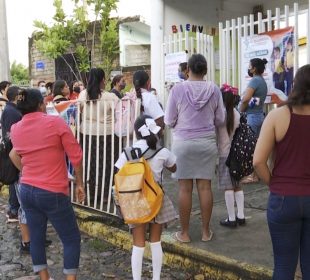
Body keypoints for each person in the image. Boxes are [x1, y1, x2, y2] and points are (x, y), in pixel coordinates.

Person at [9, 88, 85, 280]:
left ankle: (44, 278)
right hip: (53, 191)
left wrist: (26, 172)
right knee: (71, 239)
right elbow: (75, 155)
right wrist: (79, 183)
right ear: (40, 104)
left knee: (36, 237)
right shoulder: (55, 122)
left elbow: (13, 154)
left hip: (26, 189)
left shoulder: (16, 128)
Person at [253, 64, 310, 279]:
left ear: (295, 86)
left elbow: (258, 161)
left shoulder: (278, 116)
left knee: (284, 267)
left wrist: (274, 184)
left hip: (283, 198)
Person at [165, 53, 225, 242]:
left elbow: (168, 120)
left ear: (187, 69)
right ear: (205, 70)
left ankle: (184, 233)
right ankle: (206, 232)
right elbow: (221, 119)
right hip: (206, 143)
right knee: (205, 188)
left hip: (183, 144)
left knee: (184, 189)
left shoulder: (177, 90)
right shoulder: (214, 90)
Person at [115, 115, 177, 280]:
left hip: (135, 201)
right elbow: (174, 167)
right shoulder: (162, 151)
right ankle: (156, 278)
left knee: (138, 243)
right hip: (156, 200)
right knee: (156, 241)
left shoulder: (128, 152)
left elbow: (116, 173)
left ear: (136, 132)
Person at [78, 68, 119, 205]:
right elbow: (119, 115)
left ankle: (91, 194)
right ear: (103, 79)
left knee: (90, 163)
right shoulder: (110, 97)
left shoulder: (83, 95)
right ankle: (106, 195)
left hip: (87, 133)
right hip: (106, 135)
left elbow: (79, 113)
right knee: (107, 164)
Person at [217, 84, 245, 227]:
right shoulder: (236, 113)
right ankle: (241, 216)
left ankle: (231, 218)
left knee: (228, 187)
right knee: (238, 185)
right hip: (236, 154)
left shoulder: (220, 114)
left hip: (224, 155)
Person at [1, 86, 22, 224]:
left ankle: (13, 209)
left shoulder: (11, 110)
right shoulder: (11, 111)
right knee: (14, 180)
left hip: (12, 149)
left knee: (14, 180)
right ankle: (13, 210)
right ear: (16, 97)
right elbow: (11, 134)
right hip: (13, 150)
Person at [239, 58, 268, 137]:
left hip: (252, 117)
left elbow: (246, 99)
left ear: (254, 69)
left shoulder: (255, 80)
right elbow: (255, 100)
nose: (248, 68)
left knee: (250, 145)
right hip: (259, 115)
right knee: (255, 144)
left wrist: (240, 110)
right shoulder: (262, 81)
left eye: (249, 66)